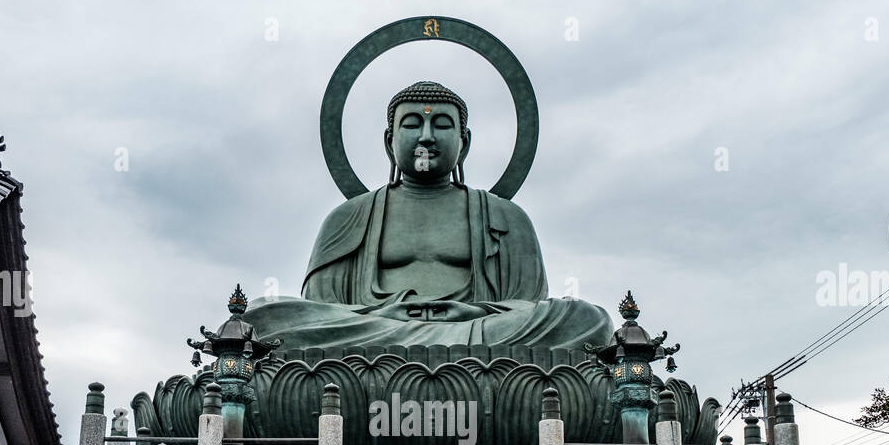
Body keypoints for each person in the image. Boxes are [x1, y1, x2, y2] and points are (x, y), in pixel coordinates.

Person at [240, 80, 613, 351]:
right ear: (390, 140)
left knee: (586, 318)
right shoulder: (349, 218)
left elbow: (528, 304)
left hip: (478, 334)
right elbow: (322, 311)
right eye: (413, 123)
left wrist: (466, 313)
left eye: (443, 125)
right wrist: (391, 314)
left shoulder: (506, 217)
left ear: (465, 142)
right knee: (263, 316)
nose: (427, 136)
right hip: (374, 333)